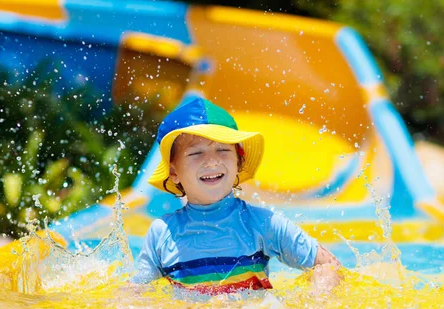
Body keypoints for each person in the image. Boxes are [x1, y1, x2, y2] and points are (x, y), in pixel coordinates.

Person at [132, 97, 341, 294]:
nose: (212, 161)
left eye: (223, 150)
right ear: (174, 172)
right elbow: (136, 292)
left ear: (238, 161)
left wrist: (316, 303)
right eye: (196, 153)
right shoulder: (163, 233)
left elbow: (328, 264)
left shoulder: (263, 223)